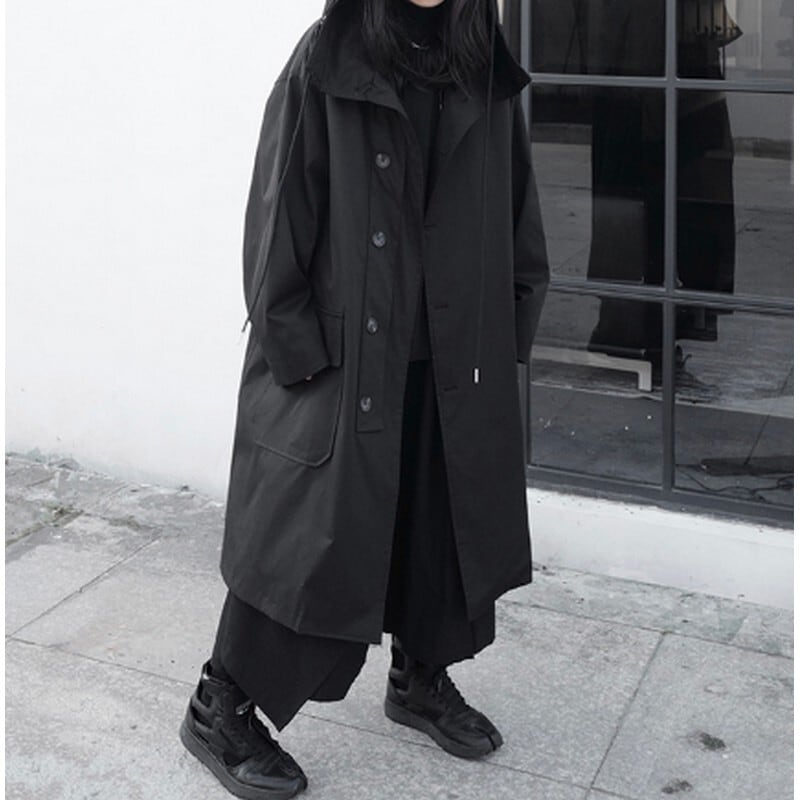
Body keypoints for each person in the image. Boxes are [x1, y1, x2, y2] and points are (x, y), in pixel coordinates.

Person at [179, 0, 549, 797]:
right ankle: (221, 705)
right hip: (347, 358)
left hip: (453, 349)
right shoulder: (328, 57)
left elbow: (516, 200)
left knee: (439, 524)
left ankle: (420, 676)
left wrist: (514, 317)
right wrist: (294, 352)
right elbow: (279, 215)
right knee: (307, 543)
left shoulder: (482, 59)